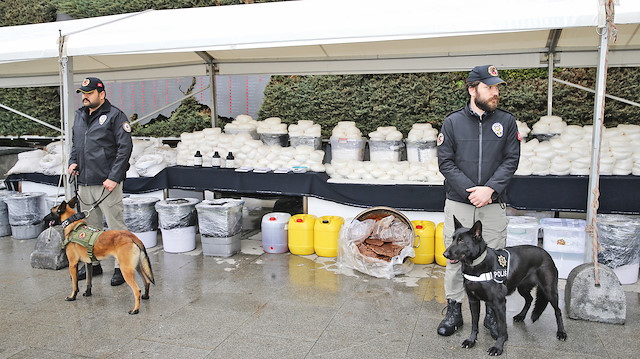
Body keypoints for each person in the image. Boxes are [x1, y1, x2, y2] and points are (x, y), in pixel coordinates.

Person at [436, 65, 521, 337]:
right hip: (459, 203)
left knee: (494, 259)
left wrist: (490, 190)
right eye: (489, 87)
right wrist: (471, 191)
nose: (495, 92)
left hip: (493, 204)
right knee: (454, 259)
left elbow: (511, 160)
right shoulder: (452, 122)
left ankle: (492, 315)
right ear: (473, 89)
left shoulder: (507, 122)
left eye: (496, 87)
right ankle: (454, 308)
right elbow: (445, 162)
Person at [68, 77, 133, 286]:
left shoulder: (115, 116)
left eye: (89, 93)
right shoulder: (79, 116)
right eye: (82, 93)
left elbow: (125, 149)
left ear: (101, 94)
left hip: (107, 184)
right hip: (85, 182)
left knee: (115, 227)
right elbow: (75, 145)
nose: (85, 97)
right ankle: (93, 265)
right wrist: (72, 162)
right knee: (90, 228)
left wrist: (114, 177)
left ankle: (121, 267)